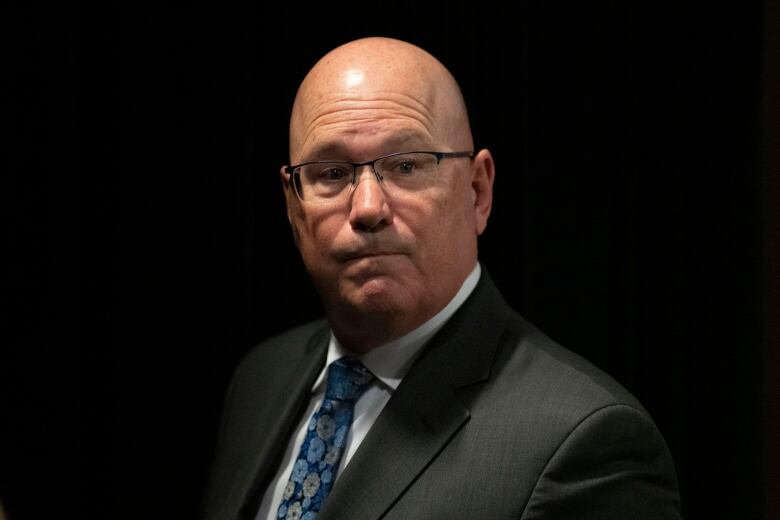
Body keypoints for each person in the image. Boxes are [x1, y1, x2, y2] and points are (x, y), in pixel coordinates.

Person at [204, 37, 682, 520]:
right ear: (293, 207)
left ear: (478, 192)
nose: (368, 208)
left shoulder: (583, 445)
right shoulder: (261, 380)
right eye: (331, 173)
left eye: (406, 165)